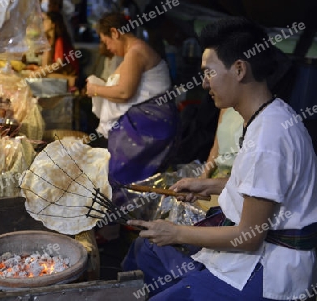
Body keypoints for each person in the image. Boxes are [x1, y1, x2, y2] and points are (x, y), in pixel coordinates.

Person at [123, 17, 317, 300]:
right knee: (146, 249)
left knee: (164, 277)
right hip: (251, 256)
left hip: (266, 271)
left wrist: (176, 233)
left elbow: (249, 237)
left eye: (209, 73)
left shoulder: (269, 137)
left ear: (239, 69)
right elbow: (263, 184)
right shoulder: (269, 115)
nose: (204, 83)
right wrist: (210, 186)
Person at [86, 12, 179, 186]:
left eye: (107, 42)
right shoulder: (134, 51)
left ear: (115, 33)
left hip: (150, 122)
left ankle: (126, 211)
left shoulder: (136, 52)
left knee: (124, 177)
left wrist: (95, 89)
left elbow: (124, 93)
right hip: (150, 119)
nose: (109, 48)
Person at [200, 107, 243, 178]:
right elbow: (216, 148)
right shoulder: (225, 107)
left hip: (239, 177)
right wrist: (204, 176)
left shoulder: (259, 110)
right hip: (220, 172)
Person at [40, 11, 79, 77]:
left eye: (45, 20)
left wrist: (41, 71)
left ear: (53, 24)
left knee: (42, 76)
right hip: (62, 73)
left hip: (70, 75)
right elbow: (45, 65)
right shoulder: (50, 41)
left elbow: (59, 64)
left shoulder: (59, 40)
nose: (42, 23)